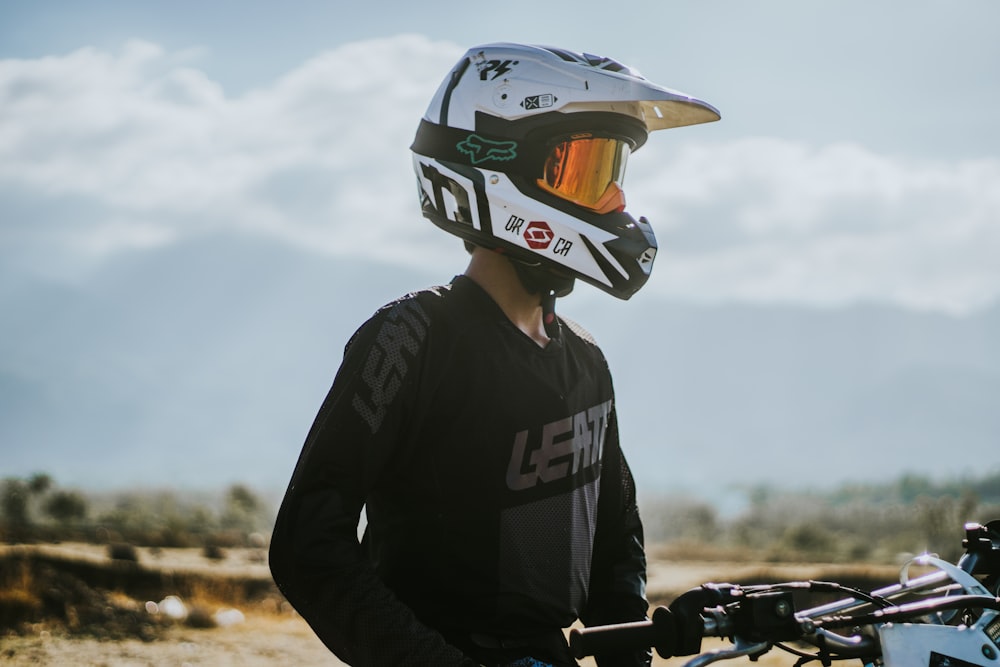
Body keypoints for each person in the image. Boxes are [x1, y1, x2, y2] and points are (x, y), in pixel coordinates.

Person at [268, 42, 720, 667]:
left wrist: (628, 654)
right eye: (585, 170)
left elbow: (614, 539)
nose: (614, 201)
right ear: (501, 171)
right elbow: (307, 544)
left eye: (614, 171)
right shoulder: (410, 338)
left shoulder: (585, 359)